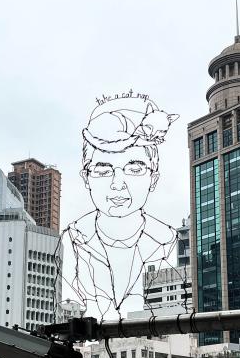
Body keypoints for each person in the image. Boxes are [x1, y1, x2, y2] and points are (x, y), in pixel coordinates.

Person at [57, 95, 185, 321]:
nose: (117, 184)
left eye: (134, 169)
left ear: (153, 177)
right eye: (103, 170)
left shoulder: (169, 242)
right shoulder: (71, 241)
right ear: (86, 178)